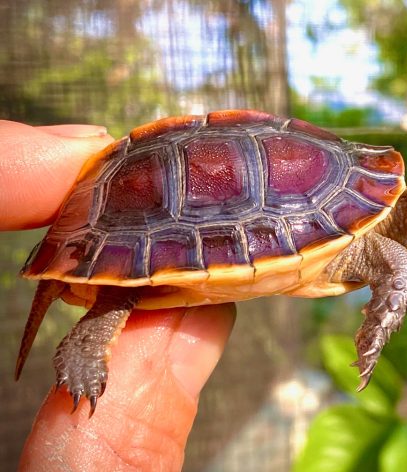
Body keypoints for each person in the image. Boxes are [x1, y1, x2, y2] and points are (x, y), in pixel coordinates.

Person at [0, 120, 236, 470]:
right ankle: (85, 345)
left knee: (129, 281)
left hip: (124, 214)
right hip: (136, 219)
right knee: (126, 280)